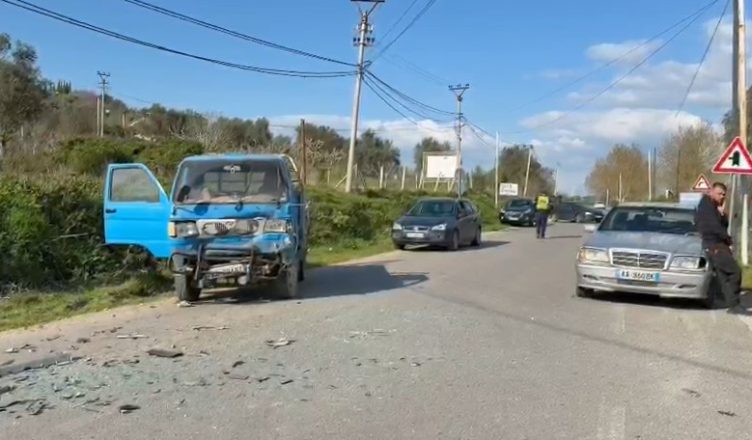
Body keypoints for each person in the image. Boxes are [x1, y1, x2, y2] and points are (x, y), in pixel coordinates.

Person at [695, 182, 749, 315]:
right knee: (735, 272)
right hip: (715, 246)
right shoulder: (706, 206)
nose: (722, 197)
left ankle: (732, 305)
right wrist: (728, 240)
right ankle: (733, 303)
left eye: (724, 195)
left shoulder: (714, 207)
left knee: (724, 276)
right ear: (711, 192)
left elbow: (723, 224)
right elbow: (715, 228)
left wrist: (723, 214)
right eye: (719, 194)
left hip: (715, 246)